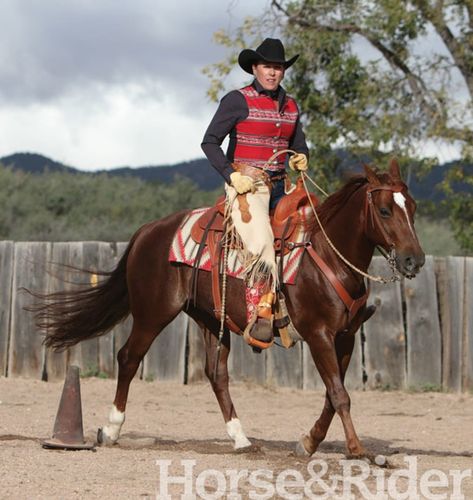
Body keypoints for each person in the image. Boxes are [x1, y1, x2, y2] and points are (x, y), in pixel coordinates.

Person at [201, 38, 309, 345]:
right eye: (267, 67)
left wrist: (302, 156)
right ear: (254, 68)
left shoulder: (291, 106)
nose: (272, 73)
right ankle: (260, 316)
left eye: (277, 68)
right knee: (262, 245)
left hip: (281, 185)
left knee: (317, 229)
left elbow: (297, 144)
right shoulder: (237, 100)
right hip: (249, 186)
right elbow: (209, 142)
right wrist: (232, 176)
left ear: (283, 71)